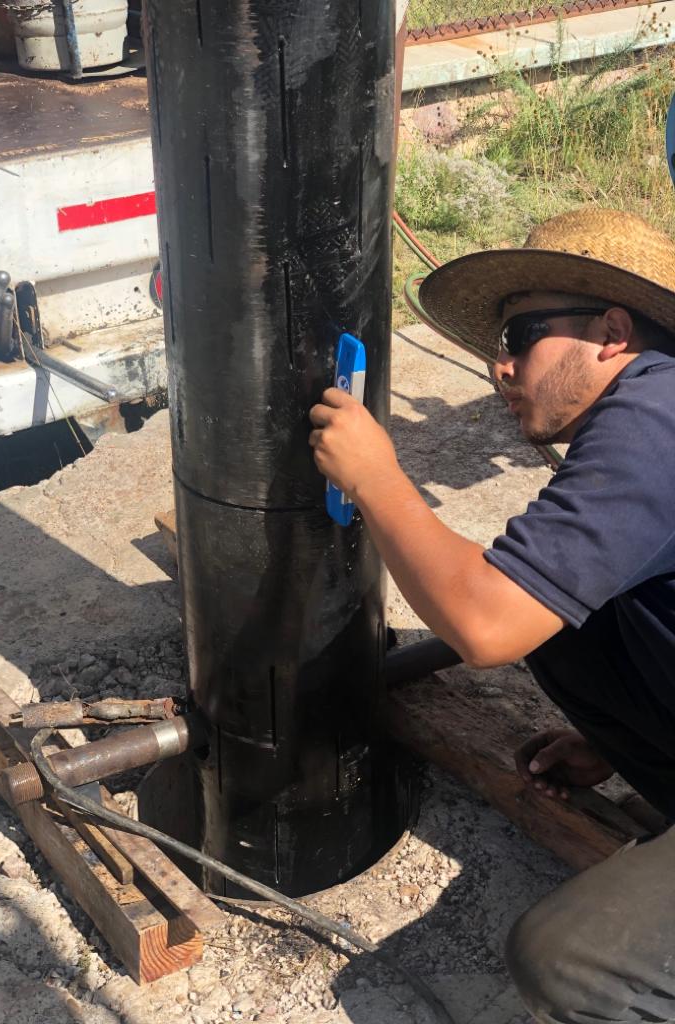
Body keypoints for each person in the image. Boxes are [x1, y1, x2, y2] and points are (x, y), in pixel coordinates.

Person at [309, 207, 675, 1023]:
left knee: (569, 966)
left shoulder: (656, 419)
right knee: (562, 620)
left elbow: (482, 626)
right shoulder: (654, 402)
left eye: (520, 336)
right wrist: (620, 736)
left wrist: (375, 477)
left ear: (613, 332)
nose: (499, 366)